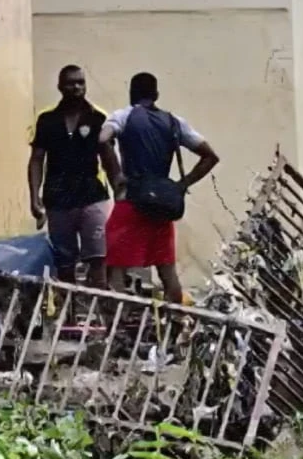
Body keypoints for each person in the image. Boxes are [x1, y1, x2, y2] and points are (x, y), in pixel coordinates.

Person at [98, 72, 220, 305]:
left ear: (132, 94)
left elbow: (103, 139)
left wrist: (117, 177)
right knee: (167, 270)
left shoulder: (123, 116)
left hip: (131, 200)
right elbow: (210, 156)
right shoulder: (175, 122)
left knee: (116, 268)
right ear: (156, 95)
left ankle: (119, 327)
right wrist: (182, 185)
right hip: (162, 205)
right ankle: (175, 326)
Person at [28, 65, 118, 287]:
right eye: (71, 83)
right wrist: (34, 196)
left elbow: (109, 160)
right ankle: (68, 313)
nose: (77, 87)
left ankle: (98, 313)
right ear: (60, 87)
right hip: (58, 199)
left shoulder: (98, 118)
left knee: (98, 258)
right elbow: (37, 159)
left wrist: (121, 195)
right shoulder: (46, 120)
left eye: (81, 82)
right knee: (64, 262)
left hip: (92, 196)